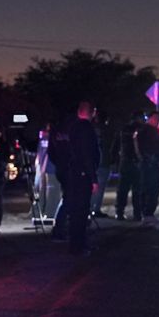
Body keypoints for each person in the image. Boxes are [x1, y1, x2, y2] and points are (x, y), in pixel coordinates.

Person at [59, 100, 101, 255]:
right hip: (82, 174)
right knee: (81, 212)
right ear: (92, 112)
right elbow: (87, 154)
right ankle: (78, 246)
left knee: (76, 211)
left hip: (74, 172)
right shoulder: (86, 129)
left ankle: (77, 244)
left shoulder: (73, 127)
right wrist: (93, 178)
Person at [136, 110, 159, 225]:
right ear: (149, 119)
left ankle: (147, 214)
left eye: (158, 119)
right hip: (150, 164)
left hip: (153, 164)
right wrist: (152, 159)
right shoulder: (145, 131)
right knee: (151, 188)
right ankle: (147, 214)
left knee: (153, 188)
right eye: (155, 118)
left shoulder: (154, 131)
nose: (157, 121)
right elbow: (144, 148)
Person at [111, 112, 144, 221]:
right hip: (136, 163)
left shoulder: (123, 130)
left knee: (122, 189)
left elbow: (115, 147)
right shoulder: (141, 129)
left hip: (124, 162)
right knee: (137, 189)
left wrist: (114, 162)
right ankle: (137, 214)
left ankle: (119, 212)